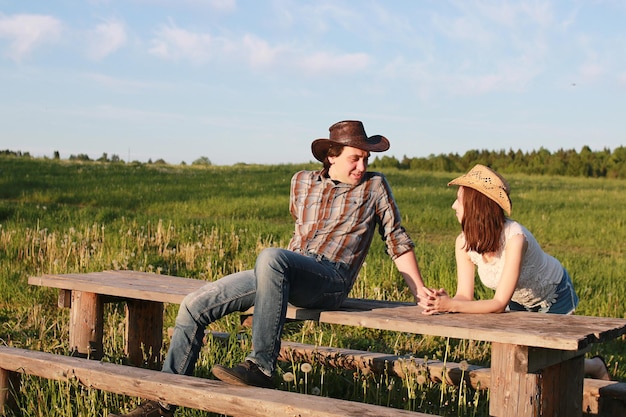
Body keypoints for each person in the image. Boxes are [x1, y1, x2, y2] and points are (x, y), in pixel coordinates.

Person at [111, 120, 427, 417]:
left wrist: (419, 293)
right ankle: (164, 402)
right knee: (195, 304)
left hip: (330, 280)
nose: (362, 166)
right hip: (287, 273)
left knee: (271, 257)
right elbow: (301, 232)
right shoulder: (302, 182)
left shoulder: (374, 187)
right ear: (331, 156)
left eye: (366, 159)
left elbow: (396, 239)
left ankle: (260, 367)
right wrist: (268, 299)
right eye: (355, 158)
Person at [419, 163, 610, 380]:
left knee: (552, 364)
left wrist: (451, 305)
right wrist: (445, 302)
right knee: (524, 362)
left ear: (476, 208)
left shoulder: (515, 238)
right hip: (518, 301)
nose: (454, 205)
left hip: (554, 297)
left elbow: (499, 303)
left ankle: (595, 366)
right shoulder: (463, 243)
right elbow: (465, 296)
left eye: (459, 200)